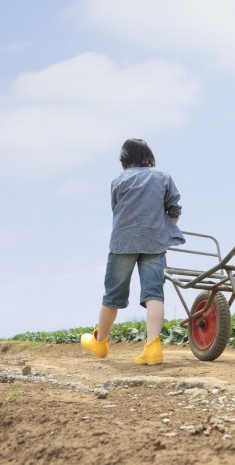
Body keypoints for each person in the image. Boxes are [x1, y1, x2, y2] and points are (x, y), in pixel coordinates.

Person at [81, 138, 185, 365]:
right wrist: (160, 227)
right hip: (154, 243)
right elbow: (174, 211)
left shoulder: (118, 181)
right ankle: (152, 348)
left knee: (112, 296)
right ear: (149, 156)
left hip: (123, 243)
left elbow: (116, 211)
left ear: (124, 159)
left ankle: (100, 342)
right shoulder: (163, 177)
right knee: (153, 295)